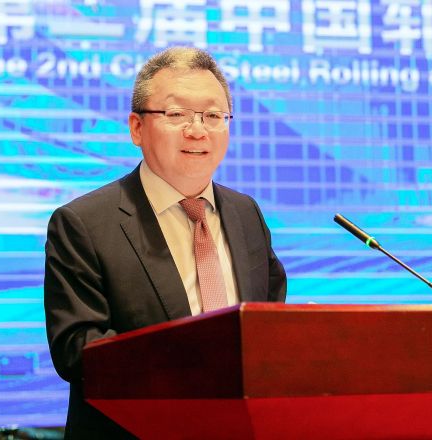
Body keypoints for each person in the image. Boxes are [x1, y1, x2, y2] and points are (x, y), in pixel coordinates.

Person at [43, 47, 287, 439]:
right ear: (137, 128)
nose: (197, 130)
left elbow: (268, 318)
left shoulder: (246, 214)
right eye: (176, 115)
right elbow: (78, 350)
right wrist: (197, 368)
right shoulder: (83, 224)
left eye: (213, 116)